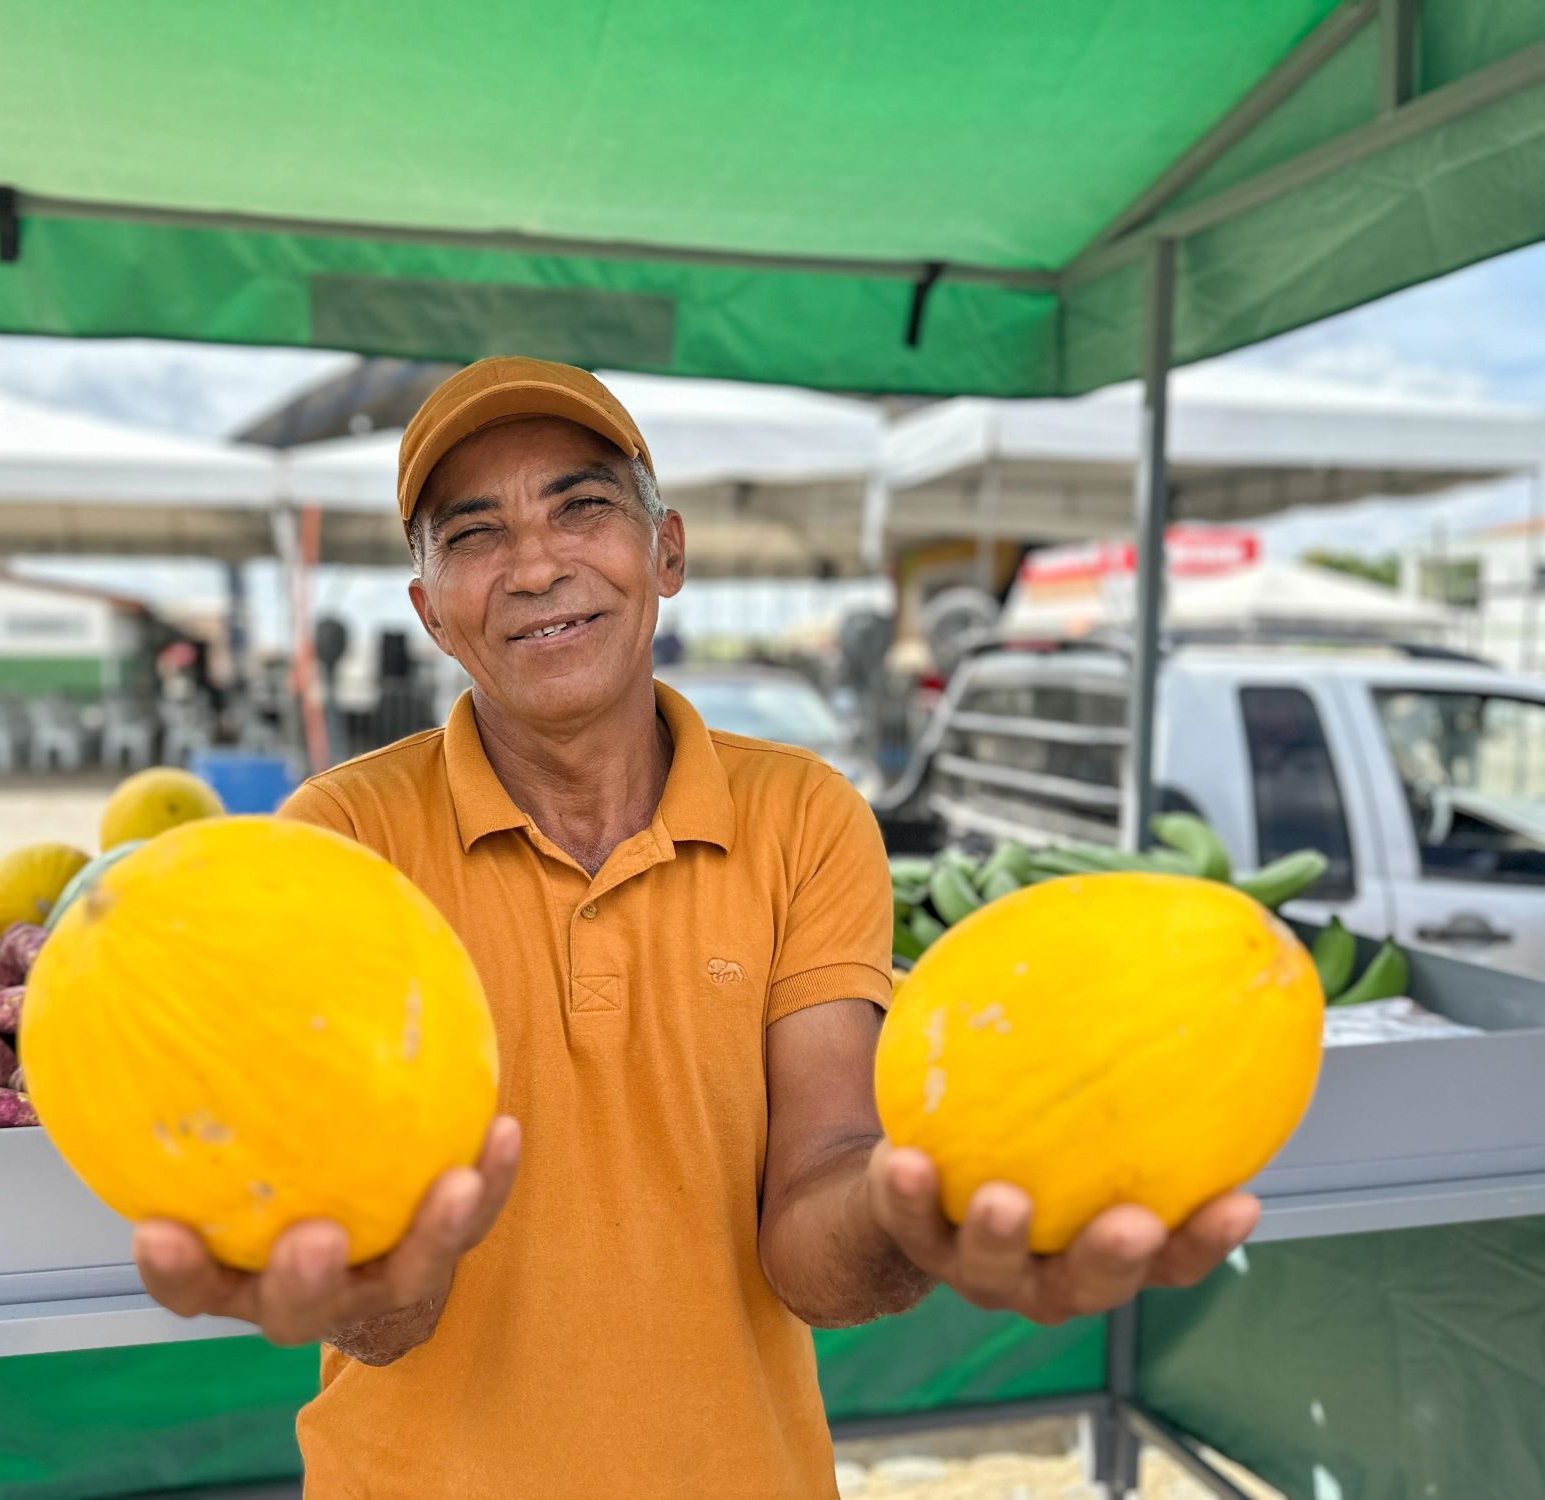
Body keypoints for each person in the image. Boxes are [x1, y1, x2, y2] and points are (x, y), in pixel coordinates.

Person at [131, 359, 1255, 1498]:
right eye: (472, 536)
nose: (534, 564)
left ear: (665, 551)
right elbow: (382, 1270)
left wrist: (909, 1211)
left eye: (582, 507)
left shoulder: (804, 817)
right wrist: (363, 1276)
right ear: (428, 610)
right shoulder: (341, 838)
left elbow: (816, 1215)